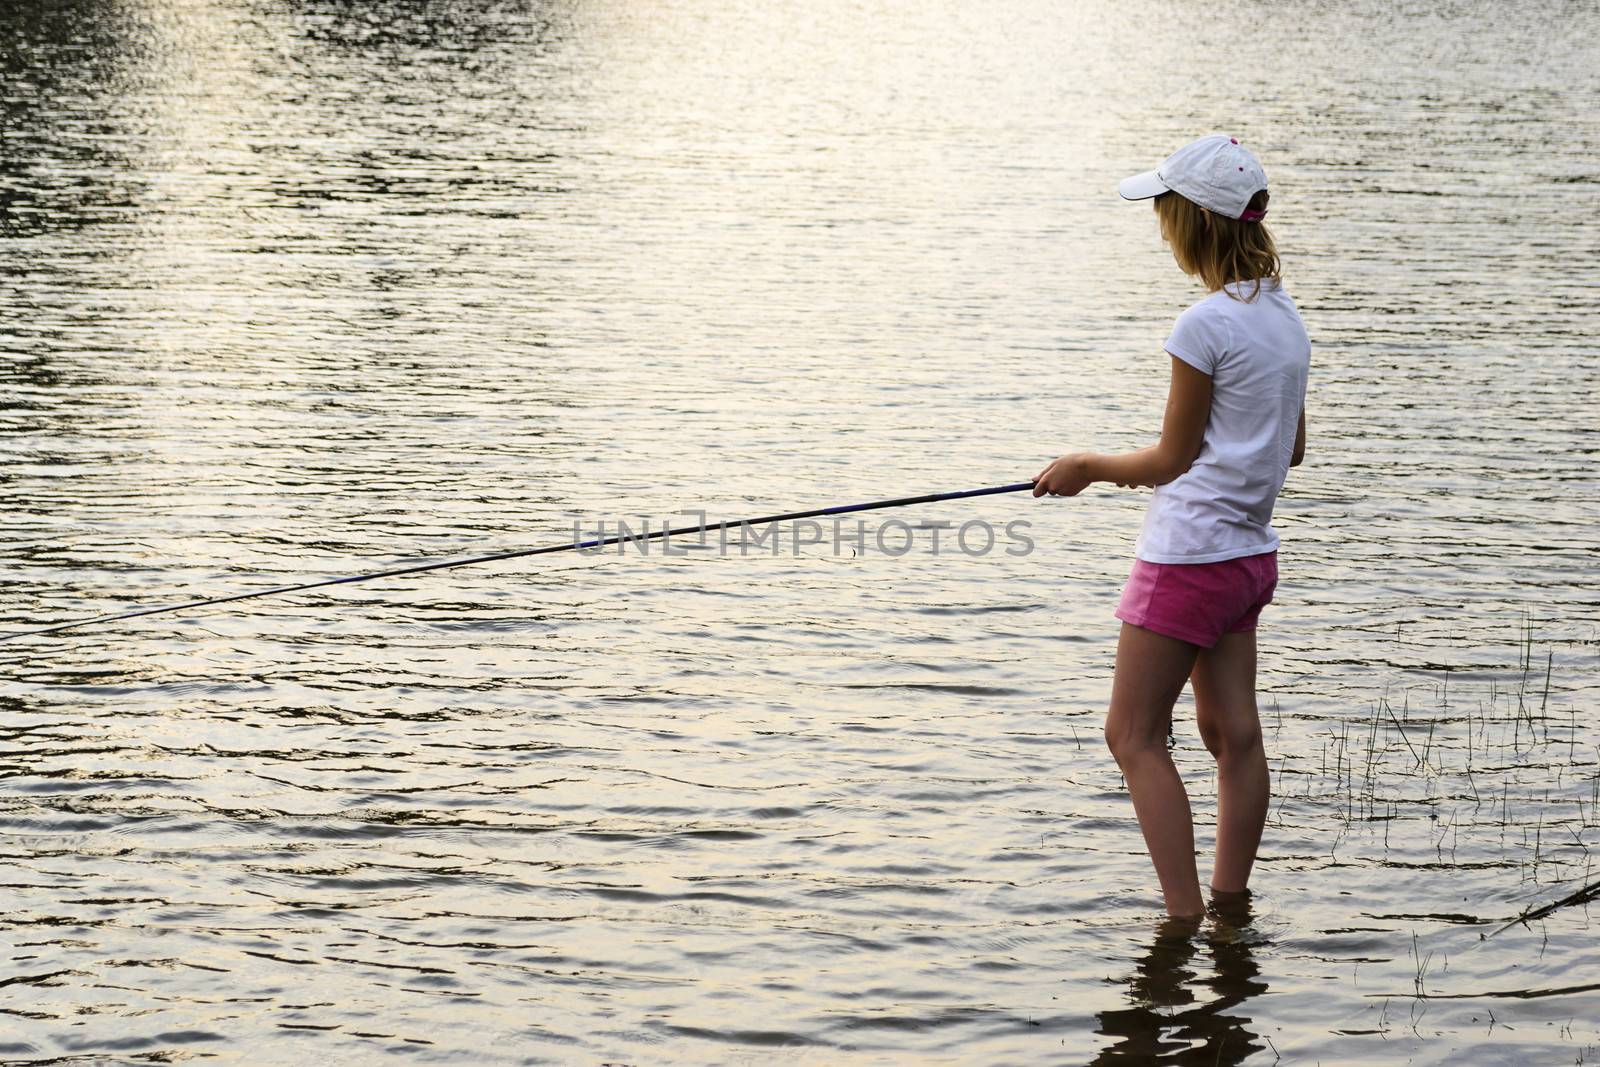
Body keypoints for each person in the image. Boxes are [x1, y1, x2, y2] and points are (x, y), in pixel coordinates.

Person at [1033, 134, 1311, 918]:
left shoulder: (1202, 325)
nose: (1160, 227)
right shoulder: (1286, 319)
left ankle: (1183, 920)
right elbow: (1290, 447)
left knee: (1133, 736)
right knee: (1235, 737)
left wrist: (1085, 465)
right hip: (1248, 560)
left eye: (1164, 212)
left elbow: (1170, 460)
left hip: (1188, 560)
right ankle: (1230, 909)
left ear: (1193, 220)